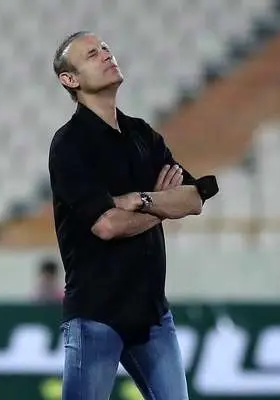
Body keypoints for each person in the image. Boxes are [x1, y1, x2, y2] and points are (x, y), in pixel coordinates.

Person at [48, 31, 218, 400]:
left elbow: (193, 199)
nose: (106, 55)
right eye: (92, 54)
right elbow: (107, 225)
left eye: (105, 48)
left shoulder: (142, 134)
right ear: (70, 79)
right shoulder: (69, 144)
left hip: (152, 314)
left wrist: (138, 200)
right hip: (96, 314)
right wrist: (162, 203)